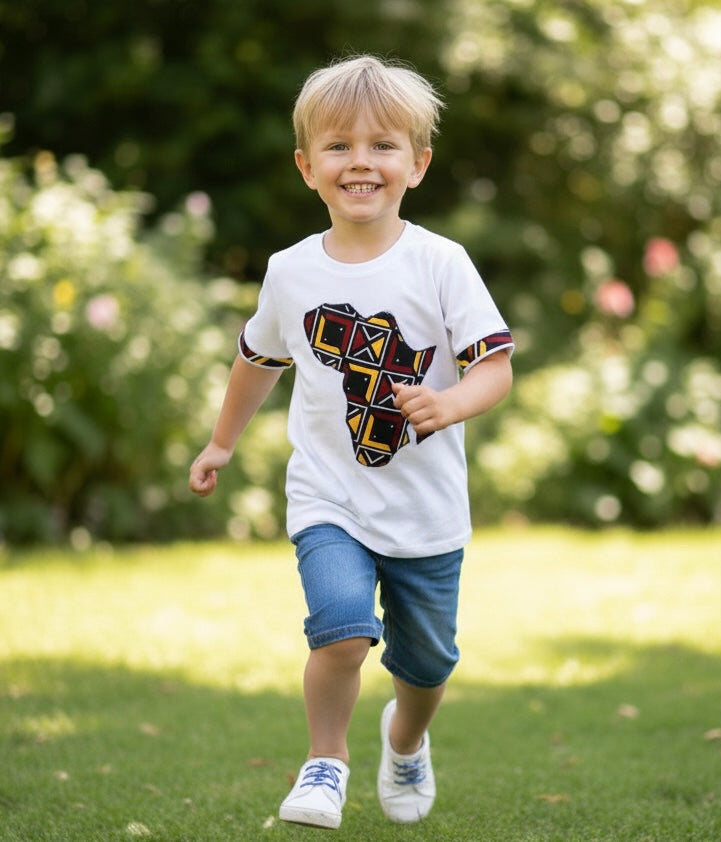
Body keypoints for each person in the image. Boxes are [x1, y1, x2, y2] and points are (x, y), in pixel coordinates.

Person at [188, 54, 514, 830]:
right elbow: (256, 359)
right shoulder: (290, 273)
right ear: (306, 166)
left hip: (425, 510)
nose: (360, 161)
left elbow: (494, 370)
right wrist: (221, 443)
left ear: (417, 164)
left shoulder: (440, 263)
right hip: (329, 496)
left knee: (427, 665)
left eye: (381, 145)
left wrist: (448, 403)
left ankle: (403, 742)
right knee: (342, 630)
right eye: (338, 146)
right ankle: (324, 765)